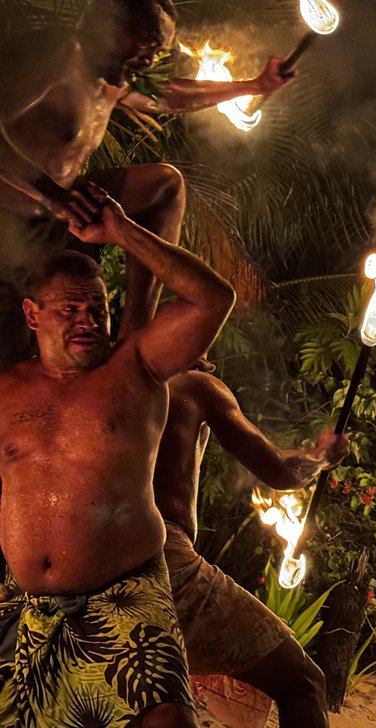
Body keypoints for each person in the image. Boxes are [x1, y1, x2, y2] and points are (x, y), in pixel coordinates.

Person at [0, 185, 235, 727]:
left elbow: (212, 300)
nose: (87, 320)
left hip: (125, 592)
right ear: (33, 314)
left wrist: (121, 231)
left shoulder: (136, 366)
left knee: (167, 719)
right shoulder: (7, 389)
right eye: (70, 309)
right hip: (26, 603)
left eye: (97, 309)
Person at [0, 0, 295, 365]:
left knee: (162, 187)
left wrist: (252, 86)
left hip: (59, 214)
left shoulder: (110, 79)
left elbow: (169, 96)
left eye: (157, 50)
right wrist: (53, 196)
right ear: (109, 25)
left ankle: (135, 333)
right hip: (11, 226)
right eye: (146, 44)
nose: (151, 59)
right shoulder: (58, 53)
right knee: (11, 358)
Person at [155, 362, 348, 727]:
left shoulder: (103, 382)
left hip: (89, 566)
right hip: (165, 561)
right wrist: (322, 456)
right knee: (303, 682)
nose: (209, 359)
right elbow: (283, 472)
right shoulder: (193, 386)